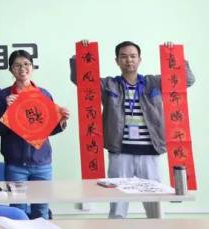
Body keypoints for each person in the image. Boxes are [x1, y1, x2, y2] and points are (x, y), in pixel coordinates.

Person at [69, 40, 196, 218]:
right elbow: (81, 81)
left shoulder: (154, 82)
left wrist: (176, 56)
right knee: (118, 204)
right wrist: (79, 57)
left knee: (154, 205)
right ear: (117, 61)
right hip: (120, 153)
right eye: (124, 56)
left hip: (150, 152)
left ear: (139, 59)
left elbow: (187, 80)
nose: (129, 60)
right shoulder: (109, 85)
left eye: (133, 56)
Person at [0, 50, 69, 219]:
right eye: (17, 65)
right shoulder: (3, 96)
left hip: (42, 163)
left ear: (32, 67)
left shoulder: (43, 94)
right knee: (18, 212)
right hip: (15, 164)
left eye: (26, 64)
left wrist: (62, 121)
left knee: (41, 210)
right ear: (11, 70)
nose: (22, 68)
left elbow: (48, 129)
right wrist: (7, 110)